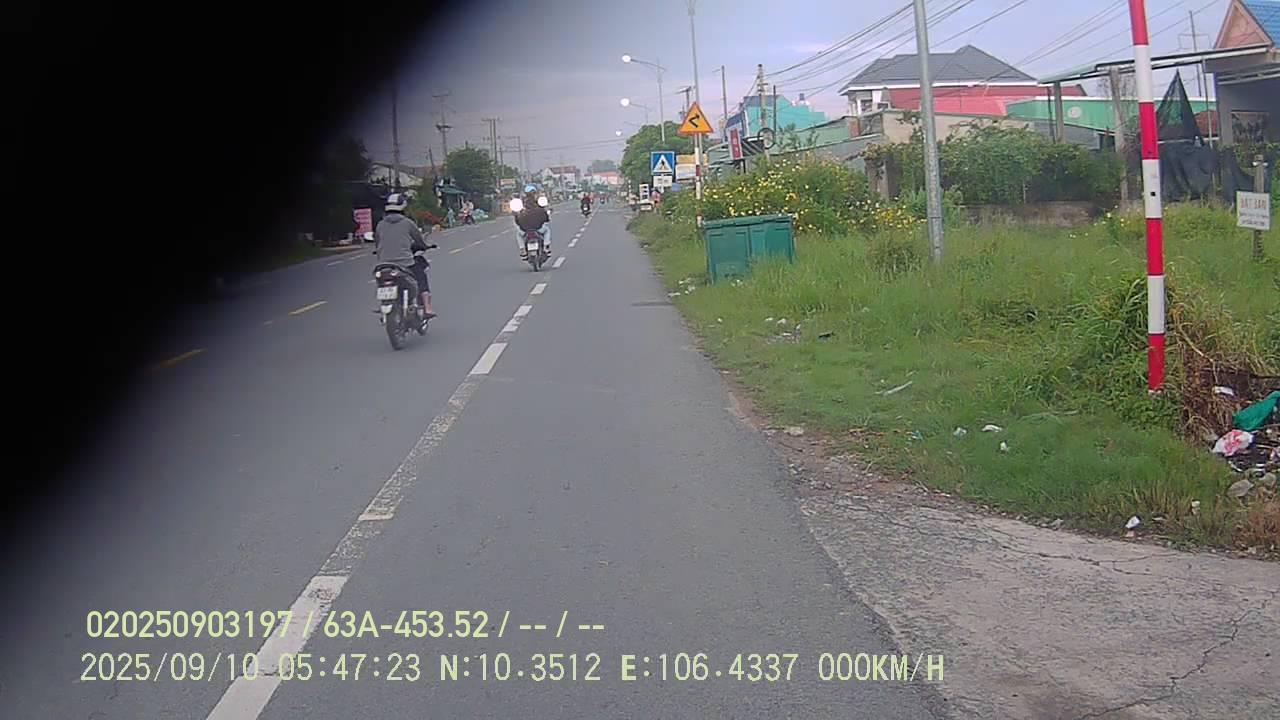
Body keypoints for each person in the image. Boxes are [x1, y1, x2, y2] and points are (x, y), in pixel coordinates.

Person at [374, 192, 436, 318]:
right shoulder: (408, 223)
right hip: (405, 263)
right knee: (421, 276)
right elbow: (419, 240)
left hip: (383, 265)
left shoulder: (380, 225)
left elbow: (377, 242)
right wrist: (425, 246)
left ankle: (383, 304)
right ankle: (427, 307)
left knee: (381, 280)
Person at [513, 184, 551, 259]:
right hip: (538, 228)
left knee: (518, 234)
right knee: (547, 230)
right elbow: (545, 217)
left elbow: (517, 220)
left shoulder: (522, 204)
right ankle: (546, 247)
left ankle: (522, 250)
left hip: (525, 229)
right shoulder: (539, 203)